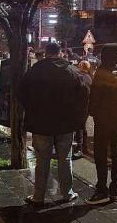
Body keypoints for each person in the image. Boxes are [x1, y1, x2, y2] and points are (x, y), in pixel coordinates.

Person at [18, 42, 89, 207]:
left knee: (42, 159)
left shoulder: (35, 70)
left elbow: (21, 93)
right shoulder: (71, 71)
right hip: (65, 124)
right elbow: (84, 95)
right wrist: (77, 117)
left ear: (46, 53)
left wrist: (33, 110)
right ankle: (67, 193)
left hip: (41, 123)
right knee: (65, 158)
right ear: (60, 53)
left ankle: (38, 196)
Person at [86, 43, 117, 205]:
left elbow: (95, 96)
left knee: (101, 153)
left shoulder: (102, 72)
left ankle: (101, 189)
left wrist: (92, 112)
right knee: (116, 152)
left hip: (103, 118)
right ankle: (115, 189)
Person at [73, 60, 93, 158]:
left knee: (79, 127)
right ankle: (84, 147)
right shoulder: (89, 77)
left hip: (80, 105)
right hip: (87, 105)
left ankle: (79, 148)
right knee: (82, 126)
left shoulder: (80, 77)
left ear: (80, 67)